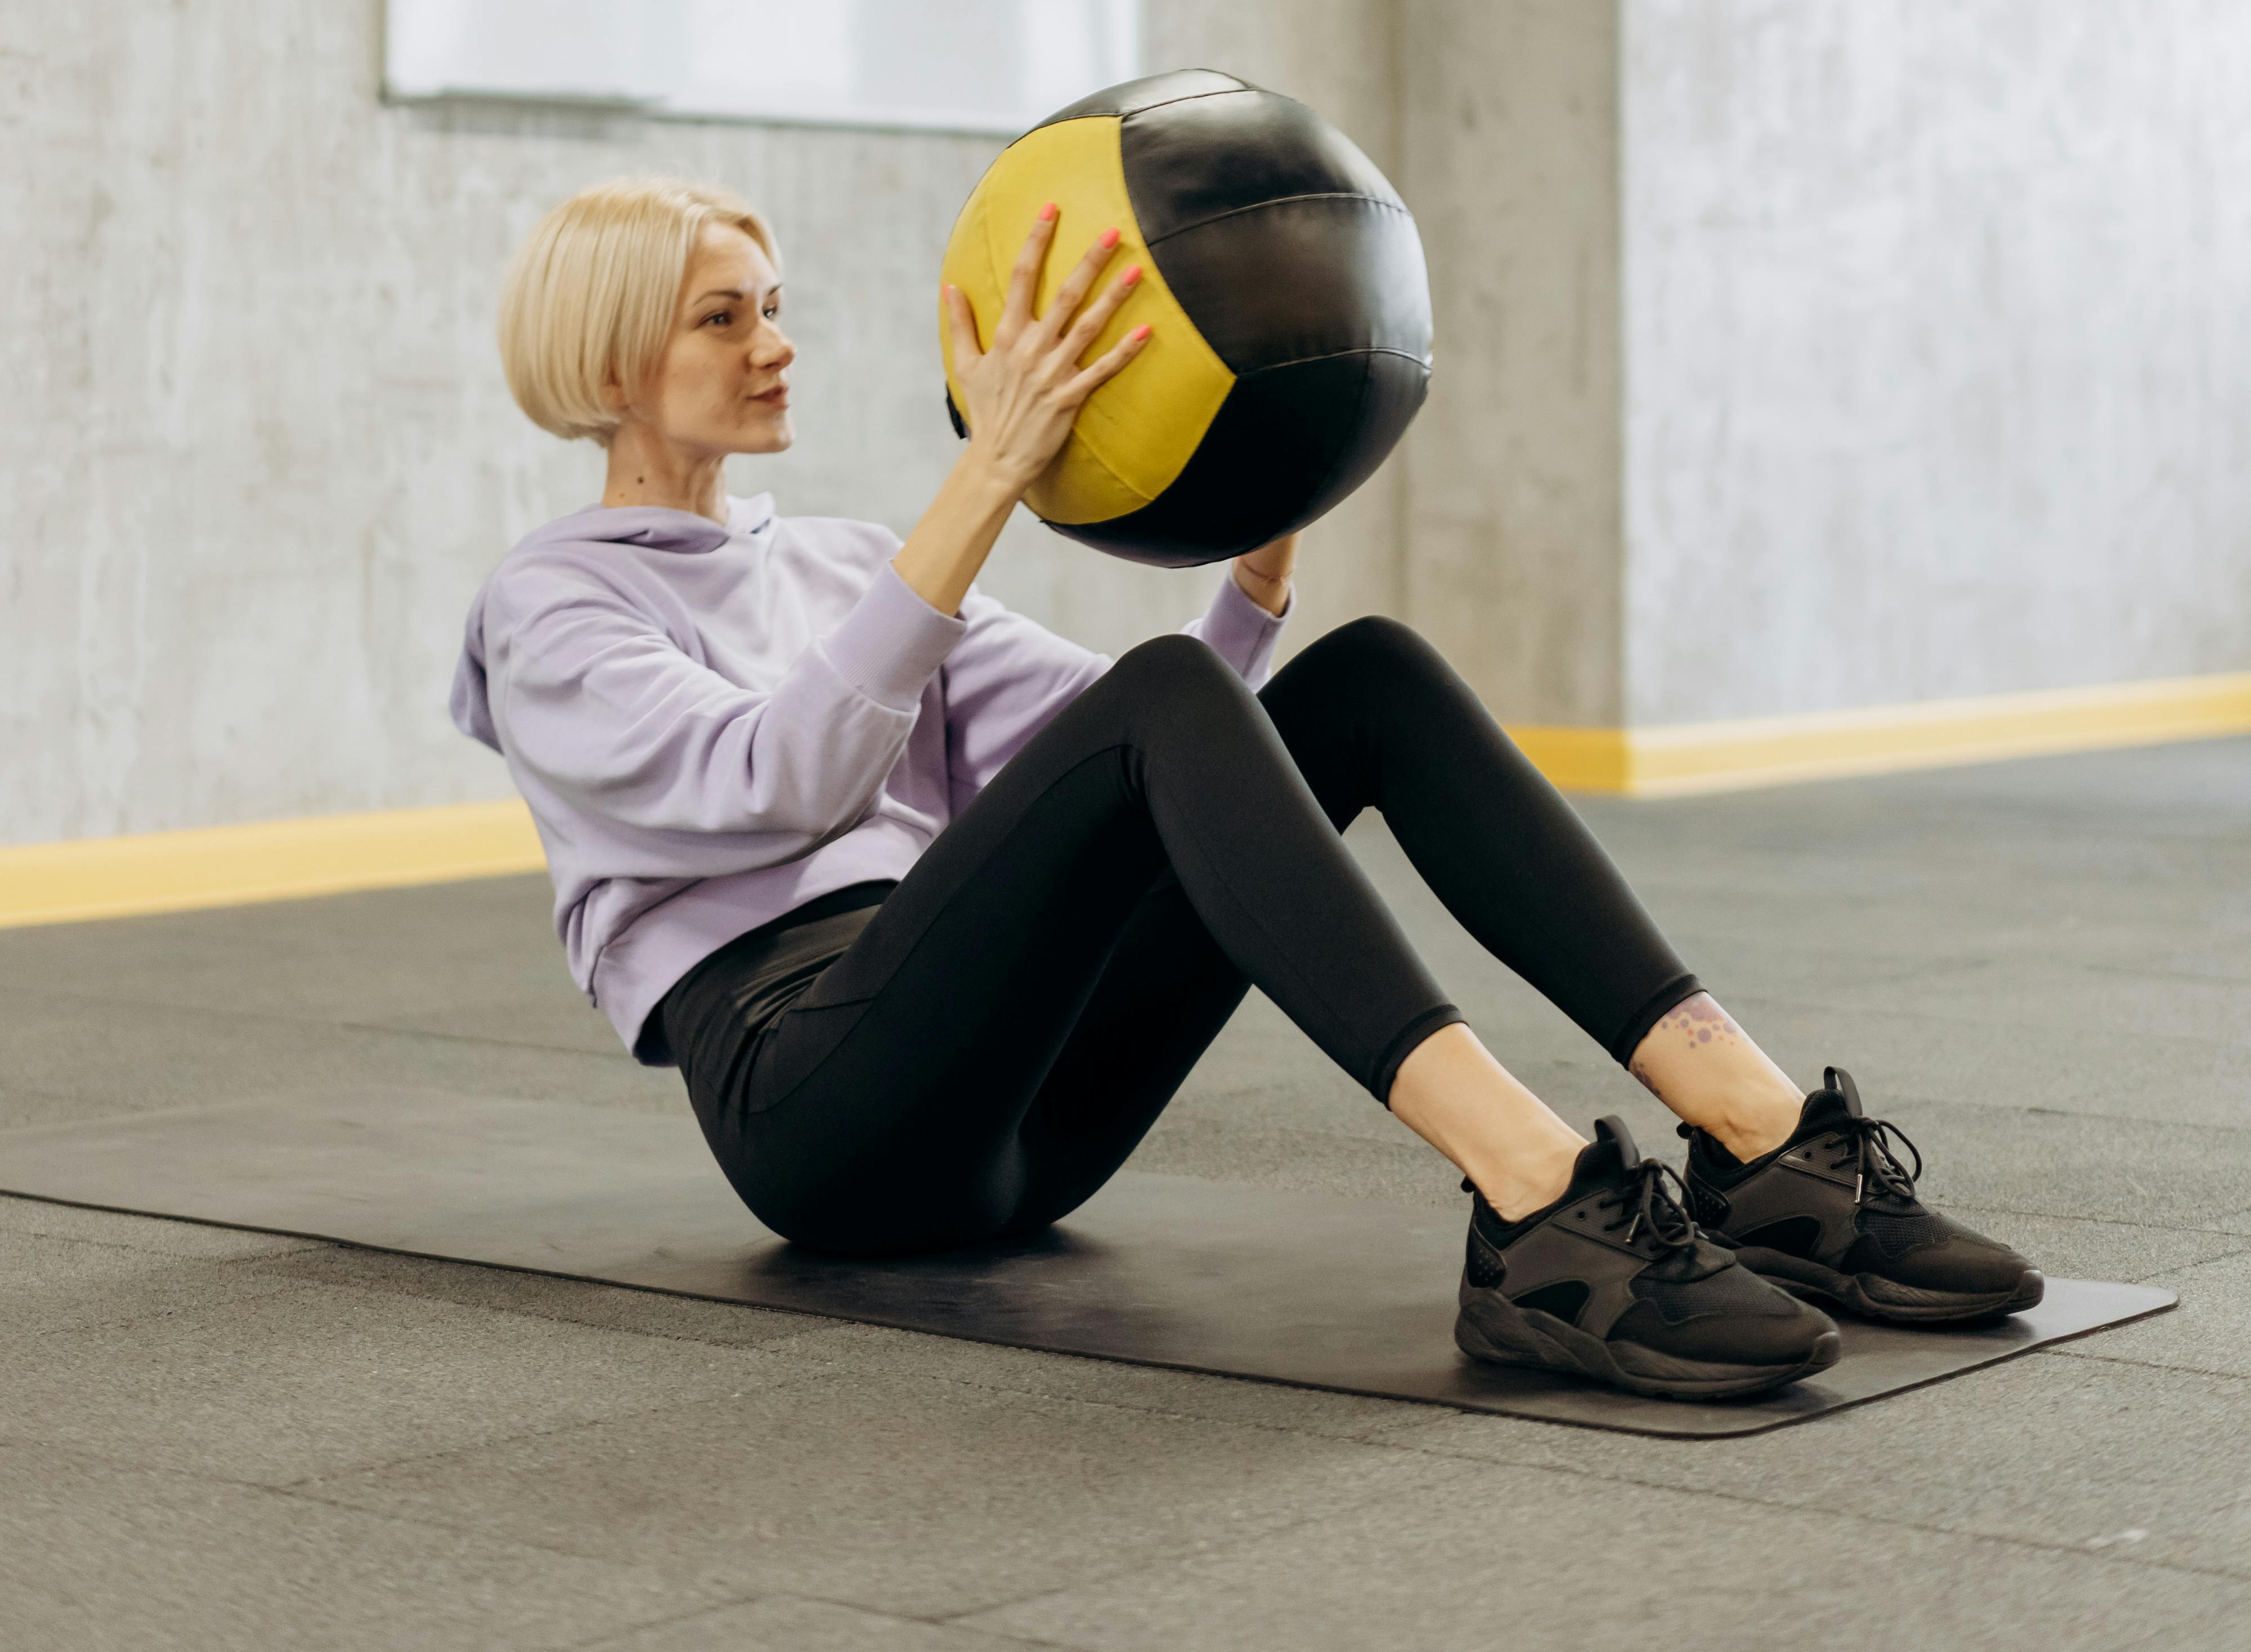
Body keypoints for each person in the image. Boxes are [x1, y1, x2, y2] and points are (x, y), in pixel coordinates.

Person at [454, 174, 2040, 1404]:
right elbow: (776, 781)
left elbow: (1148, 737)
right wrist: (986, 479)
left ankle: (1763, 1149)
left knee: (1367, 679)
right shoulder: (557, 611)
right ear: (609, 361)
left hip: (1033, 1123)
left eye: (776, 307)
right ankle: (1539, 1200)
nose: (778, 344)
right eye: (724, 319)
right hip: (825, 1102)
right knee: (1167, 699)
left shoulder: (850, 562)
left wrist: (1257, 570)